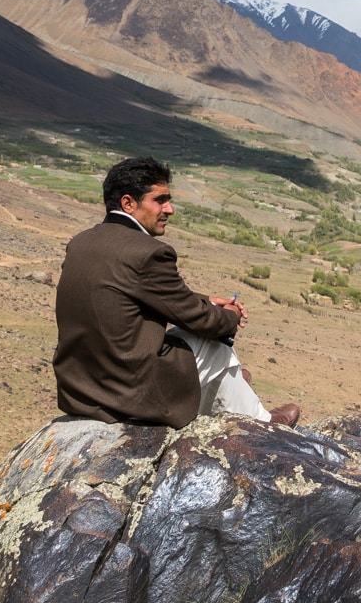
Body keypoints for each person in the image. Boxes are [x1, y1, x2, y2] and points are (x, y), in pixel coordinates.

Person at [53, 155, 300, 428]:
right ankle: (262, 423)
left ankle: (232, 387)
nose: (169, 209)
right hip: (127, 395)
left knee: (198, 347)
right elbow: (200, 320)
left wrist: (207, 300)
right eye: (160, 200)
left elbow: (147, 293)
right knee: (213, 343)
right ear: (128, 203)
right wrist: (229, 315)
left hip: (81, 390)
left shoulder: (82, 242)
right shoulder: (147, 252)